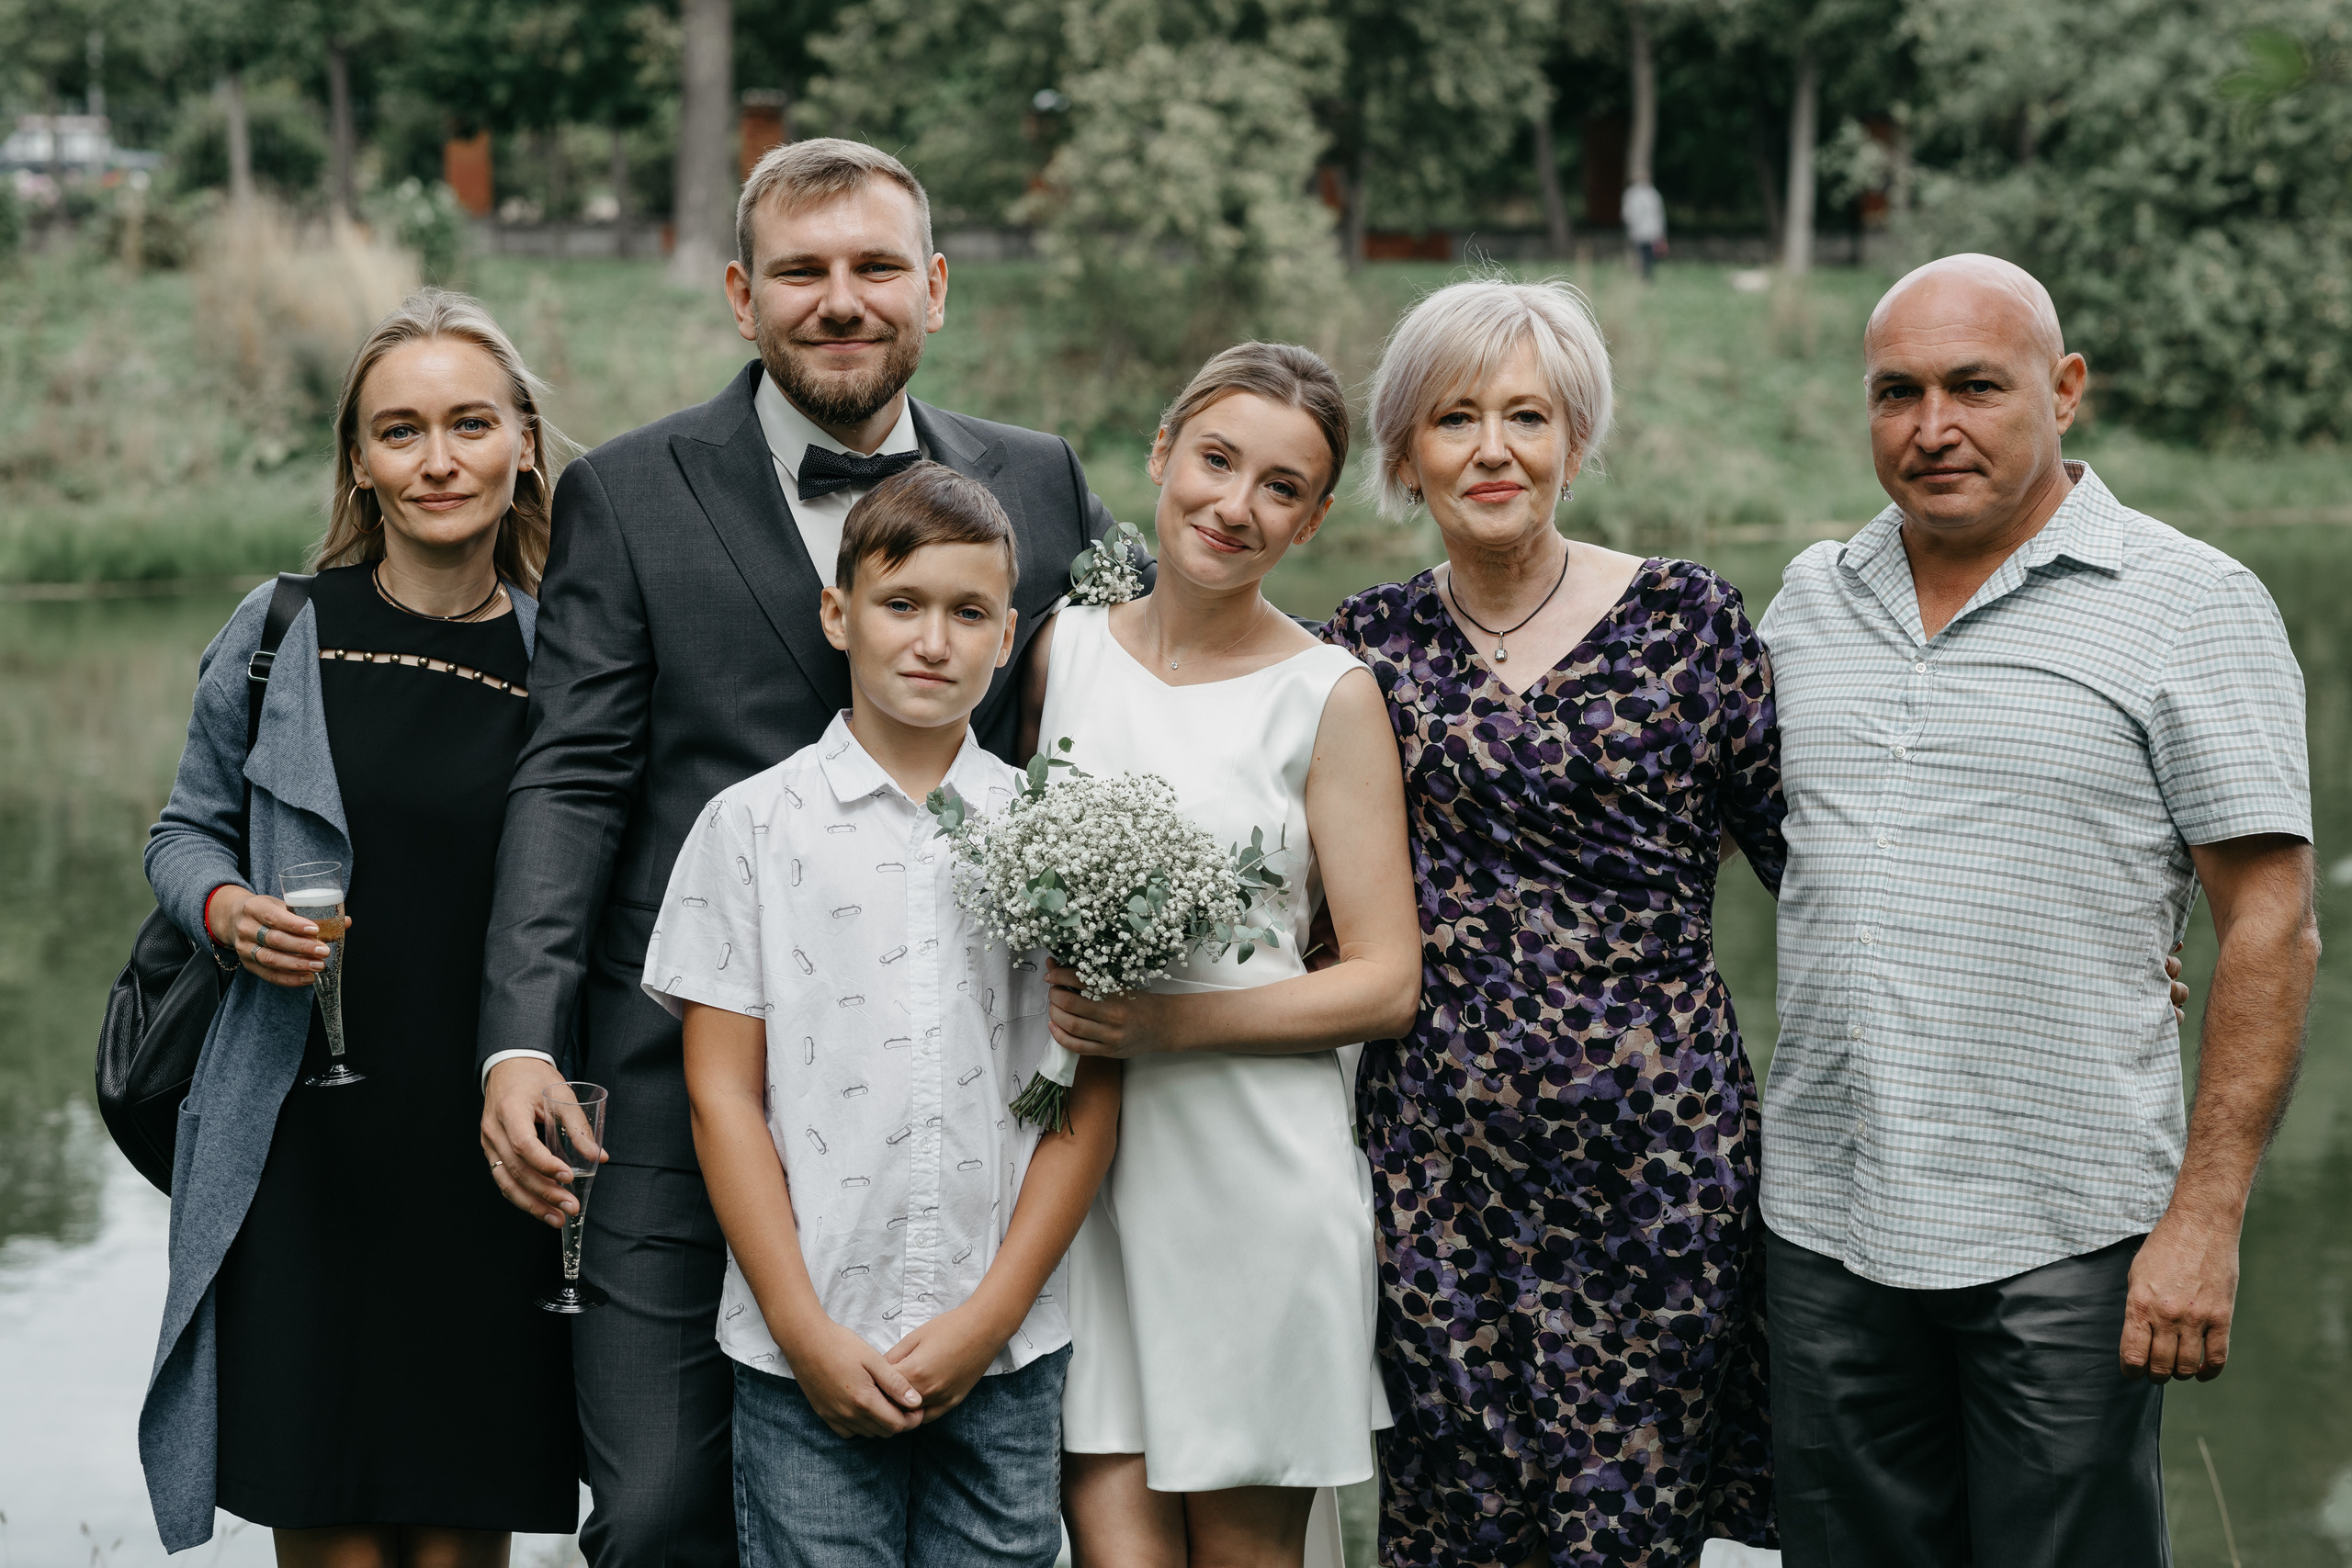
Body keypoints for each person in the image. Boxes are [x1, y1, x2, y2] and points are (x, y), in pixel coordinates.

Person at [473, 138, 1133, 1568]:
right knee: (654, 1511)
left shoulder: (1040, 478)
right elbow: (572, 777)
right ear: (742, 294)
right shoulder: (629, 490)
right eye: (802, 271)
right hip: (677, 1093)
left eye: (876, 266)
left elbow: (1126, 705)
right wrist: (520, 1036)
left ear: (935, 287)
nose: (842, 299)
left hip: (945, 1110)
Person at [1756, 254, 2317, 1565]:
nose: (1932, 427)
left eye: (1975, 387)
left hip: (2066, 1237)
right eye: (1897, 392)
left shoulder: (2190, 602)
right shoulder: (1808, 601)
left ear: (2063, 391)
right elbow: (1802, 851)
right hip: (1827, 1223)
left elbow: (2272, 925)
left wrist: (2206, 1219)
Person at [1319, 276, 1783, 1566]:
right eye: (1454, 417)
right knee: (1454, 1519)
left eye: (1527, 415)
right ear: (1405, 452)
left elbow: (1821, 863)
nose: (1493, 449)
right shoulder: (1361, 648)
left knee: (1630, 1525)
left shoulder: (1689, 620)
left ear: (1576, 439)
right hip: (1436, 1173)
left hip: (1656, 1163)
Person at [141, 291, 578, 1564]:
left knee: (459, 1525)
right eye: (401, 430)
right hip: (305, 1149)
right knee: (324, 1510)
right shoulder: (281, 630)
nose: (438, 459)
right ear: (359, 461)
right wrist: (226, 909)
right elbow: (181, 833)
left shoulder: (570, 656)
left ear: (524, 445)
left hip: (491, 1153)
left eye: (470, 423)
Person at [646, 463, 1119, 1568]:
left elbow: (1086, 1103)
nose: (933, 641)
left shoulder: (1054, 836)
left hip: (1004, 1352)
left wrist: (989, 1320)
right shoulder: (749, 828)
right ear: (837, 613)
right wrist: (802, 1331)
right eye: (901, 604)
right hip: (804, 1348)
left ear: (1007, 637)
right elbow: (722, 1098)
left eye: (968, 614)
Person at [1020, 342, 1423, 1568]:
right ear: (1161, 452)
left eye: (1280, 487)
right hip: (1081, 1181)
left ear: (1312, 520)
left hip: (1256, 1180)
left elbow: (1386, 980)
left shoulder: (1328, 694)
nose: (1235, 505)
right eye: (1216, 459)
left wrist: (1168, 1024)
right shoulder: (1059, 650)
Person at [1622, 179, 1667, 280]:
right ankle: (1644, 273)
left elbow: (1658, 214)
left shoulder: (1651, 194)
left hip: (1648, 231)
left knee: (1648, 253)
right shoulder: (1634, 194)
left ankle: (1646, 274)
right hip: (1642, 231)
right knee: (1643, 253)